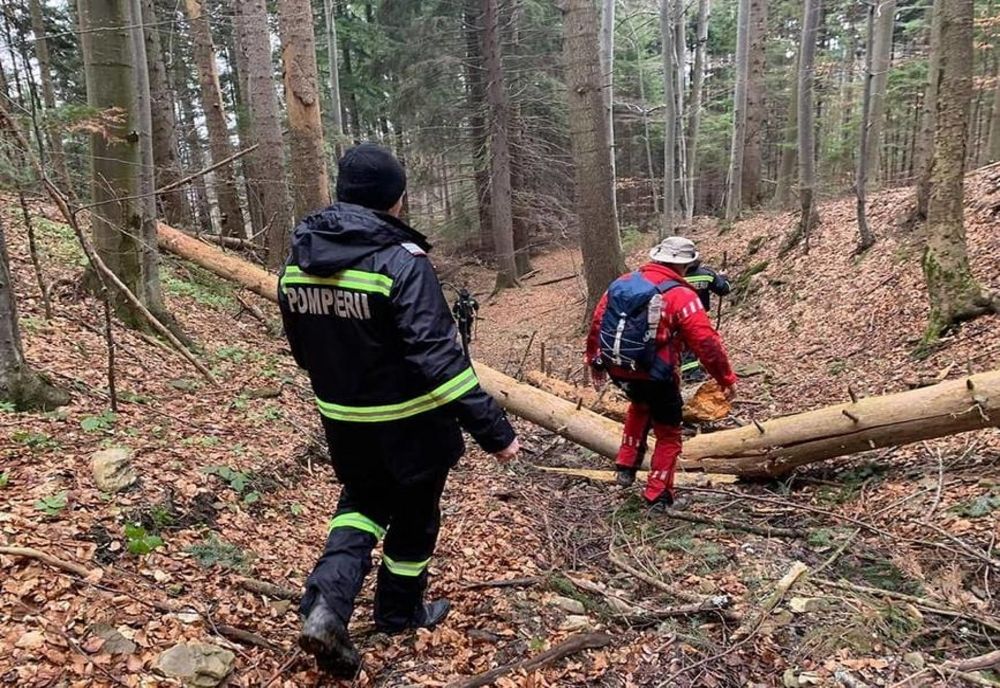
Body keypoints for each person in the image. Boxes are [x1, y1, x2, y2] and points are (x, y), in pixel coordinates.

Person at [278, 143, 520, 677]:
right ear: (397, 201)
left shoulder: (298, 260)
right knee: (414, 515)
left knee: (362, 503)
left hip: (344, 422)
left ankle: (326, 607)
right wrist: (495, 431)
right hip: (411, 424)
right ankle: (398, 613)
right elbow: (440, 359)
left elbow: (302, 351)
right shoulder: (399, 261)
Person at [585, 236, 737, 507]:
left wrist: (594, 360)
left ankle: (626, 463)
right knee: (669, 434)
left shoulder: (622, 283)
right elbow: (706, 341)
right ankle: (658, 493)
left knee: (640, 405)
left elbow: (598, 320)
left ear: (656, 257)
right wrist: (725, 378)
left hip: (620, 368)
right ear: (687, 265)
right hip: (657, 374)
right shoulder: (681, 295)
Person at [680, 260, 732, 381]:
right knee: (697, 343)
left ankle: (690, 370)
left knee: (685, 344)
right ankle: (691, 373)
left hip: (679, 315)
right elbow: (724, 289)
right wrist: (724, 277)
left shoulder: (674, 276)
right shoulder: (706, 274)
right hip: (700, 315)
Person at [452, 288, 479, 359]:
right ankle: (468, 336)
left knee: (462, 330)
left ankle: (466, 338)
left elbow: (454, 311)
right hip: (469, 318)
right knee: (467, 328)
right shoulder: (471, 300)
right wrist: (475, 314)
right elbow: (477, 307)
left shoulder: (459, 302)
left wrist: (456, 316)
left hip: (463, 319)